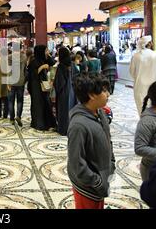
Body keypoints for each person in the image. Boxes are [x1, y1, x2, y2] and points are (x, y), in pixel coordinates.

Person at [67, 73, 115, 209]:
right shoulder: (79, 125)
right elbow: (77, 163)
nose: (108, 94)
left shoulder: (100, 113)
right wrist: (97, 182)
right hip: (88, 187)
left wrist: (111, 164)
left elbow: (108, 140)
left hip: (101, 178)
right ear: (92, 95)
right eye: (104, 91)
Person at [129, 35, 156, 115]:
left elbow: (132, 72)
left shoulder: (136, 56)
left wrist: (138, 77)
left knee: (142, 108)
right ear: (150, 43)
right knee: (154, 108)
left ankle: (144, 124)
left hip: (140, 86)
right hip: (155, 86)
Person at [26, 45, 57, 131]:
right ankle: (39, 123)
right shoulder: (33, 61)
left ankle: (48, 123)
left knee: (46, 103)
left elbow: (53, 63)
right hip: (35, 86)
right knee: (38, 104)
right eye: (45, 50)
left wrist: (48, 55)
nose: (46, 52)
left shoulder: (43, 59)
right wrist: (42, 67)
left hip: (43, 85)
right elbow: (33, 75)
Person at [54, 47, 77, 136]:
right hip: (72, 90)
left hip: (64, 91)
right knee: (71, 109)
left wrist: (56, 88)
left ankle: (63, 129)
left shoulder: (61, 65)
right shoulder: (72, 64)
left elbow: (59, 82)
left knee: (63, 110)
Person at [8, 44, 27, 127]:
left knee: (11, 101)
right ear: (20, 48)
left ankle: (12, 119)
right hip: (21, 80)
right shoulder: (24, 57)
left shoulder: (9, 57)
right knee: (20, 100)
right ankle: (18, 116)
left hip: (11, 81)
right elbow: (25, 69)